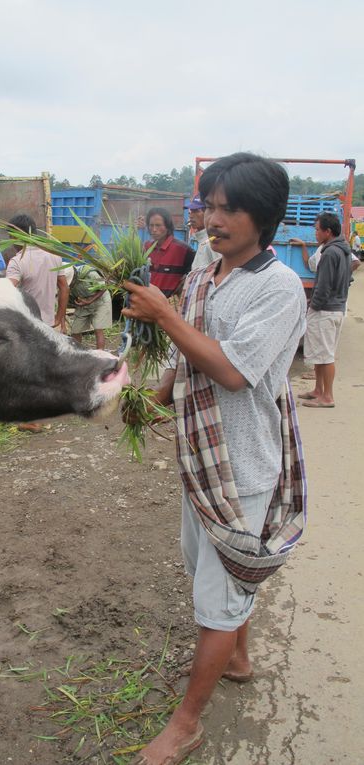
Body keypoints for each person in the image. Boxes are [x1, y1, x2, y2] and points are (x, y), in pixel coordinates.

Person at [122, 152, 307, 765]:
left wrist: (165, 315)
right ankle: (241, 657)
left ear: (265, 216)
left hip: (242, 467)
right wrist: (153, 398)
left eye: (230, 208)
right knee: (219, 574)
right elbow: (189, 354)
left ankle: (186, 724)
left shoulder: (278, 288)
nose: (213, 219)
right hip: (198, 455)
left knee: (219, 596)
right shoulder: (209, 273)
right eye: (210, 206)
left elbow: (229, 370)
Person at [294, 213, 352, 409]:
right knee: (321, 353)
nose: (316, 233)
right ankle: (318, 390)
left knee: (325, 355)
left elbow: (323, 286)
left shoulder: (329, 253)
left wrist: (313, 306)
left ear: (328, 232)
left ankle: (327, 396)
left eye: (318, 230)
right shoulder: (343, 250)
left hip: (326, 310)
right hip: (336, 308)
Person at [6, 213, 69, 331]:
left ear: (16, 236)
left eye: (10, 236)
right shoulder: (54, 257)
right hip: (49, 325)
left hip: (28, 326)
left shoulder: (17, 262)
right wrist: (59, 317)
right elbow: (64, 288)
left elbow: (7, 291)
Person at [144, 208, 194, 297]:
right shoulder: (146, 247)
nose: (154, 229)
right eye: (151, 225)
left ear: (167, 226)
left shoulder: (183, 250)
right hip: (146, 302)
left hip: (168, 306)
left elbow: (194, 274)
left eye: (158, 225)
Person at [70, 263, 112, 350]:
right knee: (75, 330)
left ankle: (100, 356)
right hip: (84, 304)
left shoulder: (90, 274)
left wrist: (89, 301)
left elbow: (104, 286)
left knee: (98, 329)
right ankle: (77, 353)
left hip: (100, 302)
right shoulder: (65, 278)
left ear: (74, 276)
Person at [186, 195, 217, 271]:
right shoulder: (202, 240)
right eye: (191, 211)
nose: (191, 216)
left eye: (196, 211)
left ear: (208, 213)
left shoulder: (212, 241)